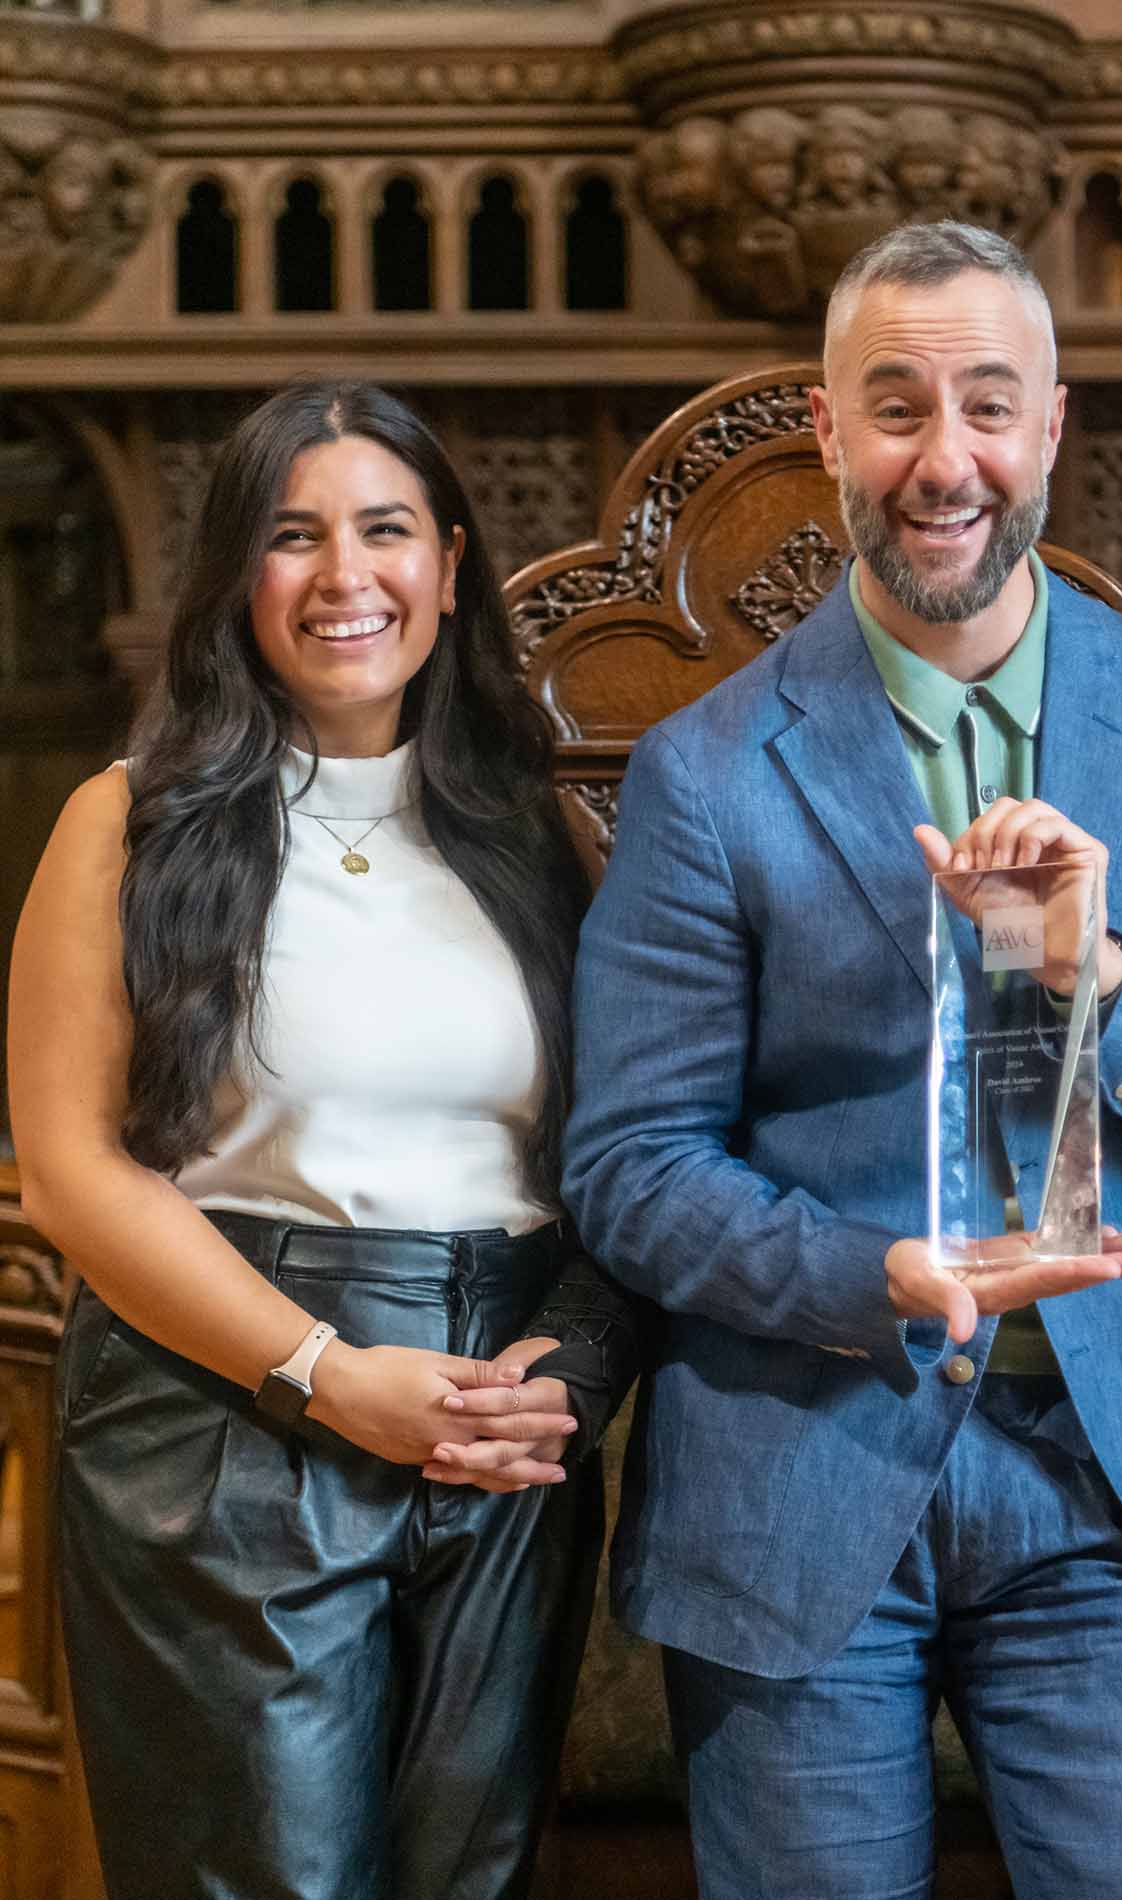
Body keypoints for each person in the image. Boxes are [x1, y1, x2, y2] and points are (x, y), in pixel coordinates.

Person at [533, 221, 1122, 1899]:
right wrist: (868, 1274)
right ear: (831, 434)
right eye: (896, 406)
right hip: (798, 1462)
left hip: (1103, 1485)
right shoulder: (706, 772)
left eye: (988, 403)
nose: (944, 456)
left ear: (1052, 425)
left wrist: (1101, 970)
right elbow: (632, 1166)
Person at [8, 381, 616, 1900]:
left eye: (386, 530)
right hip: (224, 1414)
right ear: (237, 580)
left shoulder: (532, 828)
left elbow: (620, 1146)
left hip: (491, 1424)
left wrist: (564, 1373)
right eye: (295, 537)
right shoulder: (131, 822)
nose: (348, 576)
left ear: (451, 565)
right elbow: (71, 1172)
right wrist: (329, 1377)